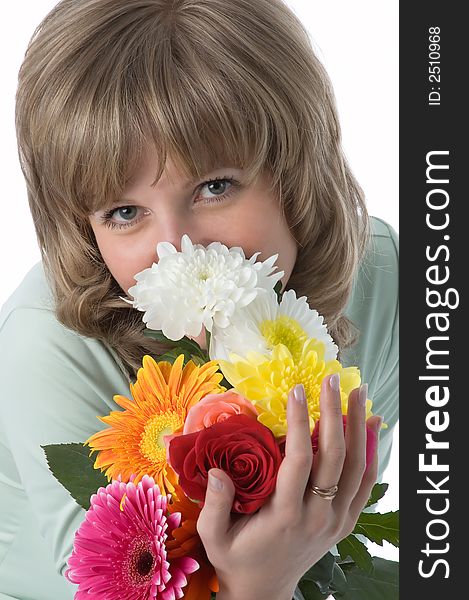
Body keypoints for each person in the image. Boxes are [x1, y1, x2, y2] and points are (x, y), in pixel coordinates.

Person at [0, 0, 398, 598]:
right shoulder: (44, 347)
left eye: (215, 187)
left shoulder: (385, 277)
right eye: (125, 212)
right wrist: (257, 584)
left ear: (300, 173)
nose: (175, 250)